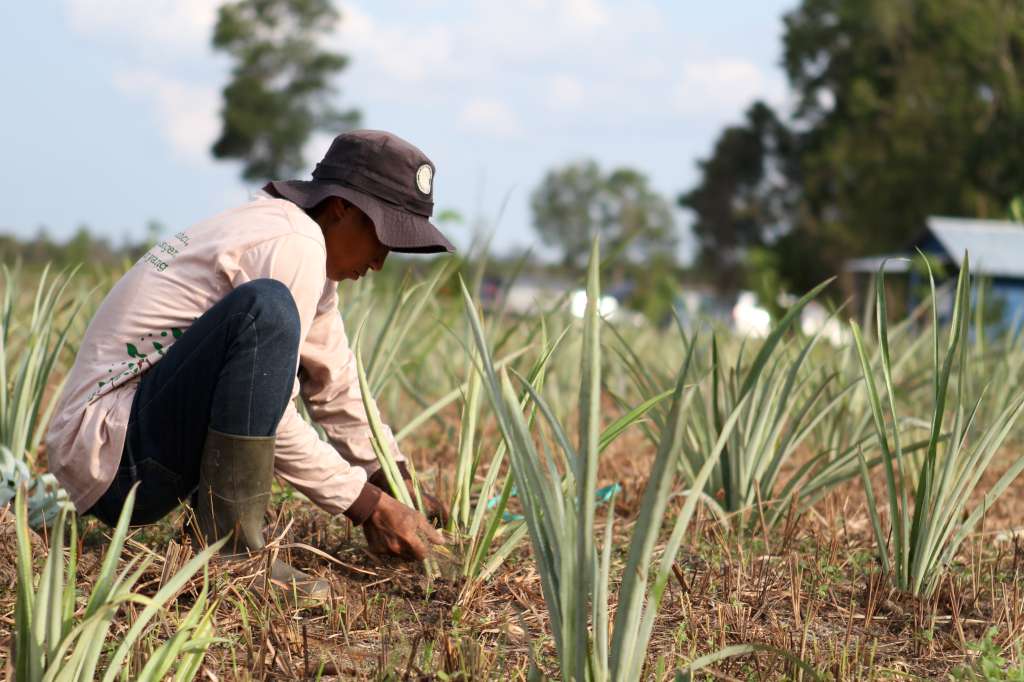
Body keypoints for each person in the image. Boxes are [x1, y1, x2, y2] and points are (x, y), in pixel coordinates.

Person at [45, 130, 452, 603]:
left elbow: (335, 384)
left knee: (270, 313)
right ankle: (228, 553)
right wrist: (367, 506)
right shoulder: (292, 243)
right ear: (340, 209)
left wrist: (394, 480)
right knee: (267, 309)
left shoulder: (296, 241)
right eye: (382, 236)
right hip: (112, 454)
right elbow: (274, 415)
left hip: (122, 442)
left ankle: (217, 536)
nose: (381, 261)